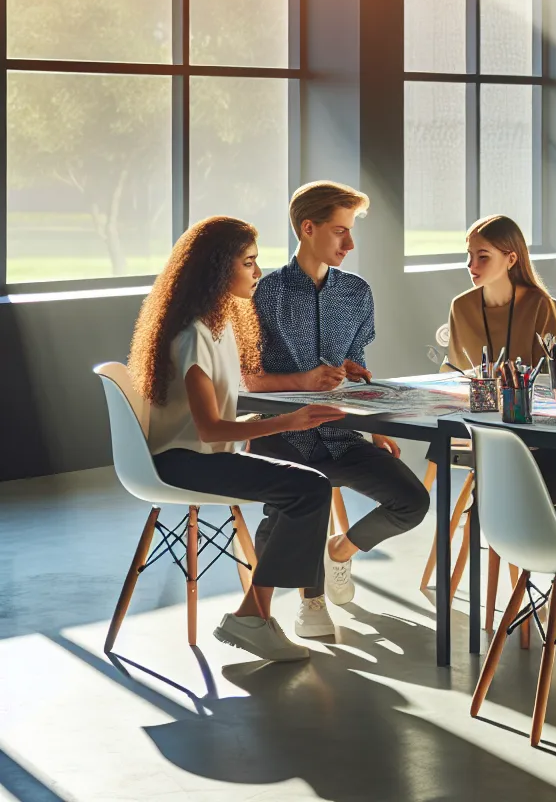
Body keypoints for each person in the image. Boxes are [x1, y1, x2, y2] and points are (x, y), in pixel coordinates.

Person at [129, 216, 347, 662]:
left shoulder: (218, 323)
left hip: (202, 455)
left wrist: (294, 406)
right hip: (183, 461)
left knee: (304, 488)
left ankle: (255, 613)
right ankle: (254, 615)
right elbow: (209, 428)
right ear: (217, 268)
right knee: (309, 487)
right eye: (248, 263)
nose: (257, 273)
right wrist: (288, 422)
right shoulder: (193, 335)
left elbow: (226, 405)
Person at [244, 181, 428, 641]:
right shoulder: (264, 295)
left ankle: (339, 552)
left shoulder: (357, 294)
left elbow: (357, 364)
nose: (350, 243)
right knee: (298, 505)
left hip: (342, 432)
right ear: (308, 228)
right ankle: (311, 599)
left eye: (351, 232)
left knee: (413, 502)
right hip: (283, 433)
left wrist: (376, 423)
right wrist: (304, 381)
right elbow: (245, 379)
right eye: (340, 231)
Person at [444, 214, 556, 507]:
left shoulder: (539, 304)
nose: (471, 265)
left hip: (532, 428)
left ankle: (526, 527)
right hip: (476, 423)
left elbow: (551, 381)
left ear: (511, 258)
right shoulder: (461, 306)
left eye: (482, 256)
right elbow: (454, 371)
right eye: (470, 255)